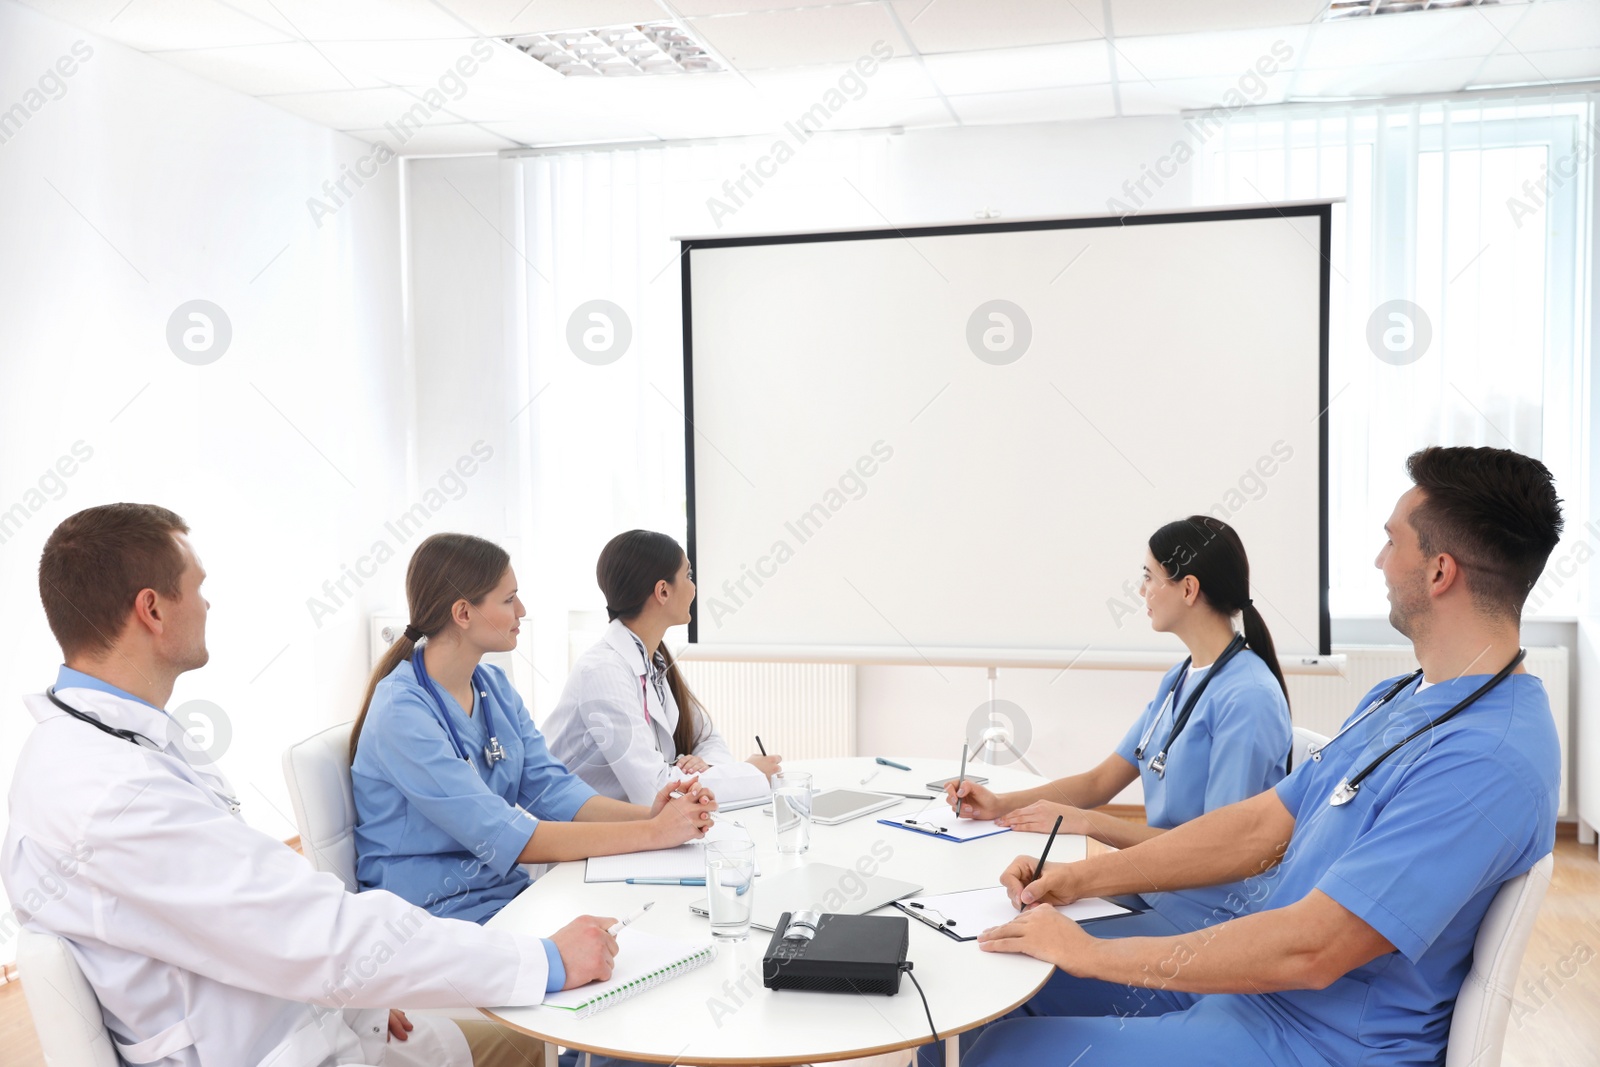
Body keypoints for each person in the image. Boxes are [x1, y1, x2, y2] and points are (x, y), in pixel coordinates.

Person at [964, 446, 1563, 1067]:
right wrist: (1075, 880)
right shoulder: (1401, 698)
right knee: (994, 981)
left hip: (1314, 1043)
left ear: (1440, 572)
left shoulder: (1486, 759)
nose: (1379, 561)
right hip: (1250, 1001)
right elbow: (1260, 825)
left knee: (998, 1050)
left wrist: (1088, 954)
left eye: (1392, 542)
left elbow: (1313, 950)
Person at [2, 504, 619, 1067]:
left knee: (527, 1038)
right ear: (153, 609)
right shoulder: (113, 793)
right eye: (199, 587)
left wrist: (358, 999)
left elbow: (256, 918)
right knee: (557, 1024)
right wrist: (547, 960)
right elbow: (311, 931)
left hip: (306, 1012)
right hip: (278, 1049)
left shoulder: (104, 746)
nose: (209, 605)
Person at [947, 515, 1292, 936]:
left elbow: (1214, 855)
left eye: (1149, 577)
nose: (1142, 591)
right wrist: (1001, 804)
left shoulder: (1248, 697)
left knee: (1023, 947)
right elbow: (1099, 782)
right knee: (1003, 919)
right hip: (1153, 886)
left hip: (1205, 918)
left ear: (1188, 588)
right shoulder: (1180, 678)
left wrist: (1091, 825)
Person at [350, 532, 716, 924]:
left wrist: (649, 816)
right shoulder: (401, 712)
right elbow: (503, 834)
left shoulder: (493, 687)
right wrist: (654, 834)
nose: (521, 610)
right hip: (429, 917)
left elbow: (553, 789)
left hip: (505, 895)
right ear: (463, 613)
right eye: (509, 600)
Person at [544, 530, 781, 808]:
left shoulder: (654, 659)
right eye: (688, 577)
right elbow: (655, 792)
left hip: (630, 824)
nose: (694, 588)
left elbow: (706, 737)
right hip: (580, 836)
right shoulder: (602, 672)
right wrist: (751, 774)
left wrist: (707, 763)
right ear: (663, 591)